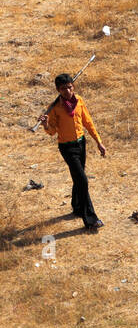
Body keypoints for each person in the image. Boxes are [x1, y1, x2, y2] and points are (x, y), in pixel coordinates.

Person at [38, 73, 108, 231]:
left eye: (70, 87)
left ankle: (77, 206)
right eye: (63, 89)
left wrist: (99, 142)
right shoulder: (55, 108)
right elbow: (52, 131)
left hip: (81, 144)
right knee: (83, 180)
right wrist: (45, 124)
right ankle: (90, 219)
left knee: (79, 176)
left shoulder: (79, 101)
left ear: (73, 86)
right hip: (67, 148)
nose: (68, 91)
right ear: (58, 90)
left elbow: (88, 122)